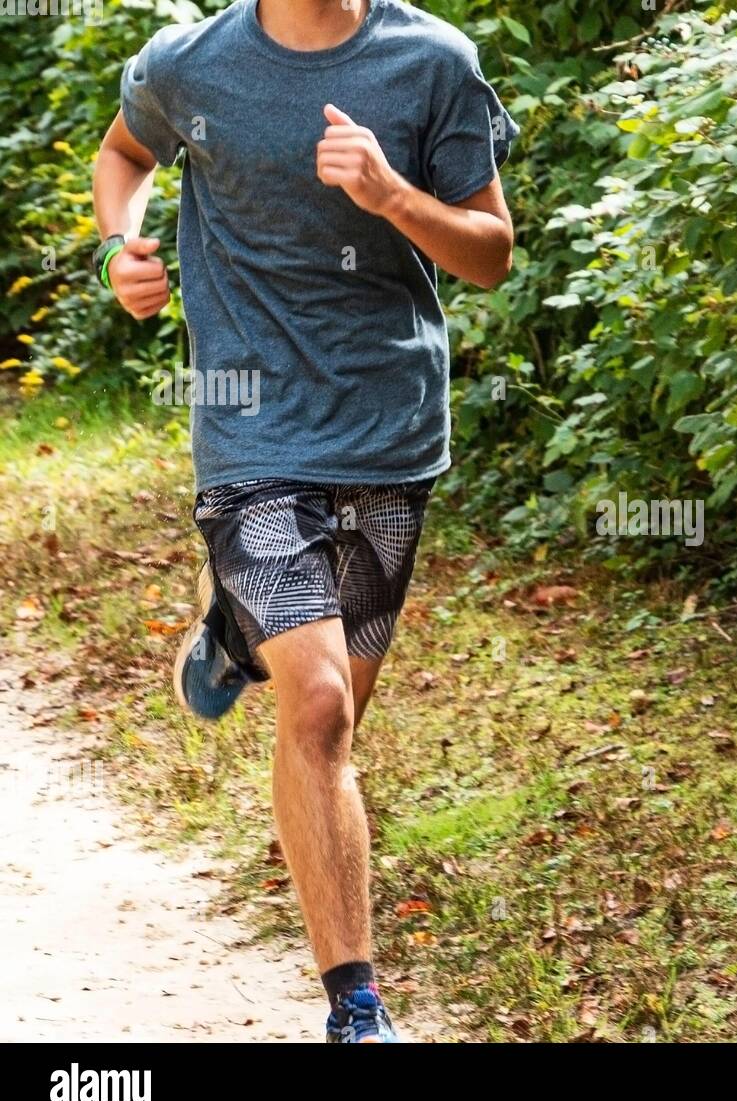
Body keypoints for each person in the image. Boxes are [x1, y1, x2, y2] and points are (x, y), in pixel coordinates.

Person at [91, 0, 518, 1043]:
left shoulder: (433, 63)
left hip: (389, 430)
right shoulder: (189, 63)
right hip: (253, 432)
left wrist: (394, 195)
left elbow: (491, 252)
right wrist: (120, 249)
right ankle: (356, 1011)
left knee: (333, 718)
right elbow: (122, 151)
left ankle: (236, 632)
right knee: (319, 706)